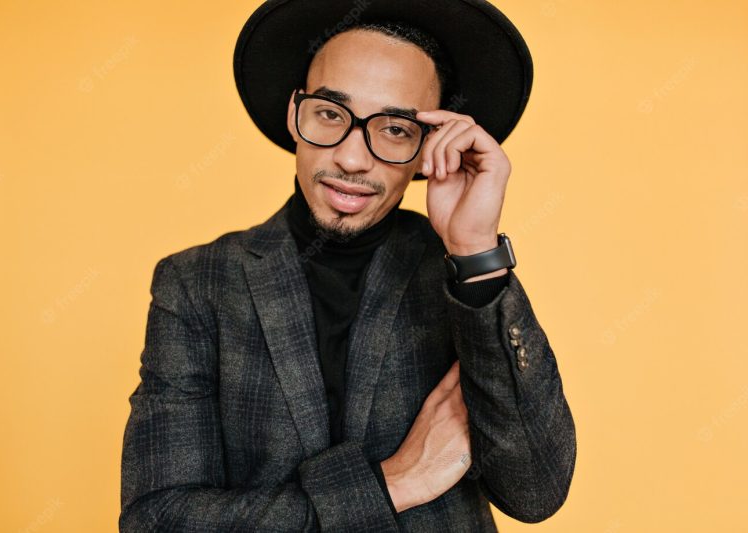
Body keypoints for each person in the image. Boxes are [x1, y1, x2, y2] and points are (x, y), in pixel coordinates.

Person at [119, 1, 576, 531]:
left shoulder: (459, 273)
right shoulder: (197, 284)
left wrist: (475, 253)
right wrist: (394, 483)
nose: (353, 160)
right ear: (296, 114)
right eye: (331, 115)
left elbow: (536, 491)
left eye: (396, 129)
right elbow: (157, 520)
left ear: (430, 146)